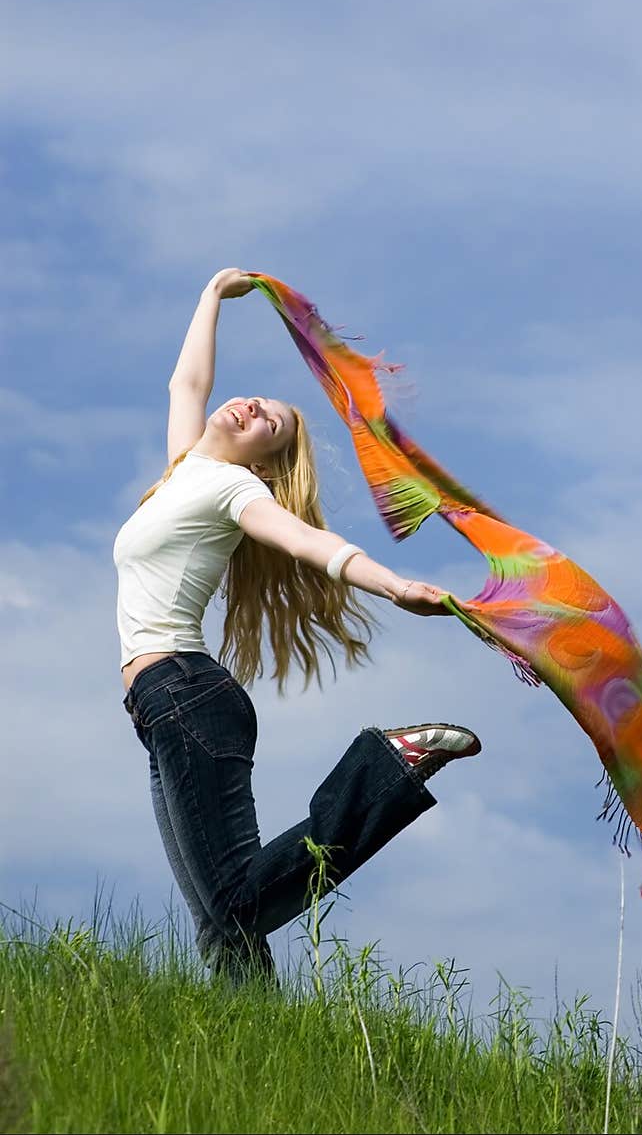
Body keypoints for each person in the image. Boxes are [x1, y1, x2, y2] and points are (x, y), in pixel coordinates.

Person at [114, 268, 480, 987]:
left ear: (264, 460)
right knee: (221, 923)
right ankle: (247, 1045)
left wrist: (396, 584)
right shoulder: (187, 467)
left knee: (233, 903)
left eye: (269, 423)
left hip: (187, 695)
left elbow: (313, 545)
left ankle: (387, 767)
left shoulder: (234, 488)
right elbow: (184, 387)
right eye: (258, 401)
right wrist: (211, 297)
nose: (251, 407)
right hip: (161, 706)